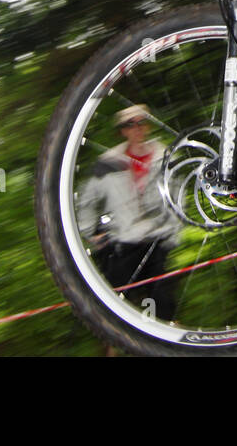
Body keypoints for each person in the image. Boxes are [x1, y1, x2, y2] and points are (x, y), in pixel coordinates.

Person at [74, 104, 182, 319]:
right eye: (129, 124)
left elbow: (178, 195)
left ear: (148, 126)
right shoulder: (108, 162)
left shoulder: (165, 155)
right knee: (112, 314)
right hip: (122, 243)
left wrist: (173, 234)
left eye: (141, 122)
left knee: (164, 309)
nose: (137, 128)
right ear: (122, 130)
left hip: (156, 241)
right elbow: (86, 199)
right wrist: (89, 233)